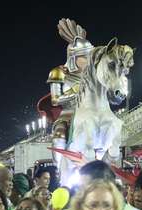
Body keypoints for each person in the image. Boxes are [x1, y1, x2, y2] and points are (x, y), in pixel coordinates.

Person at [37, 18, 94, 170]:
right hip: (67, 115)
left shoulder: (93, 77)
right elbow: (55, 100)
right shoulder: (59, 73)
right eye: (84, 57)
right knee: (59, 136)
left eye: (89, 57)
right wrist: (76, 93)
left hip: (89, 114)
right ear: (73, 57)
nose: (88, 61)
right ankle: (59, 169)